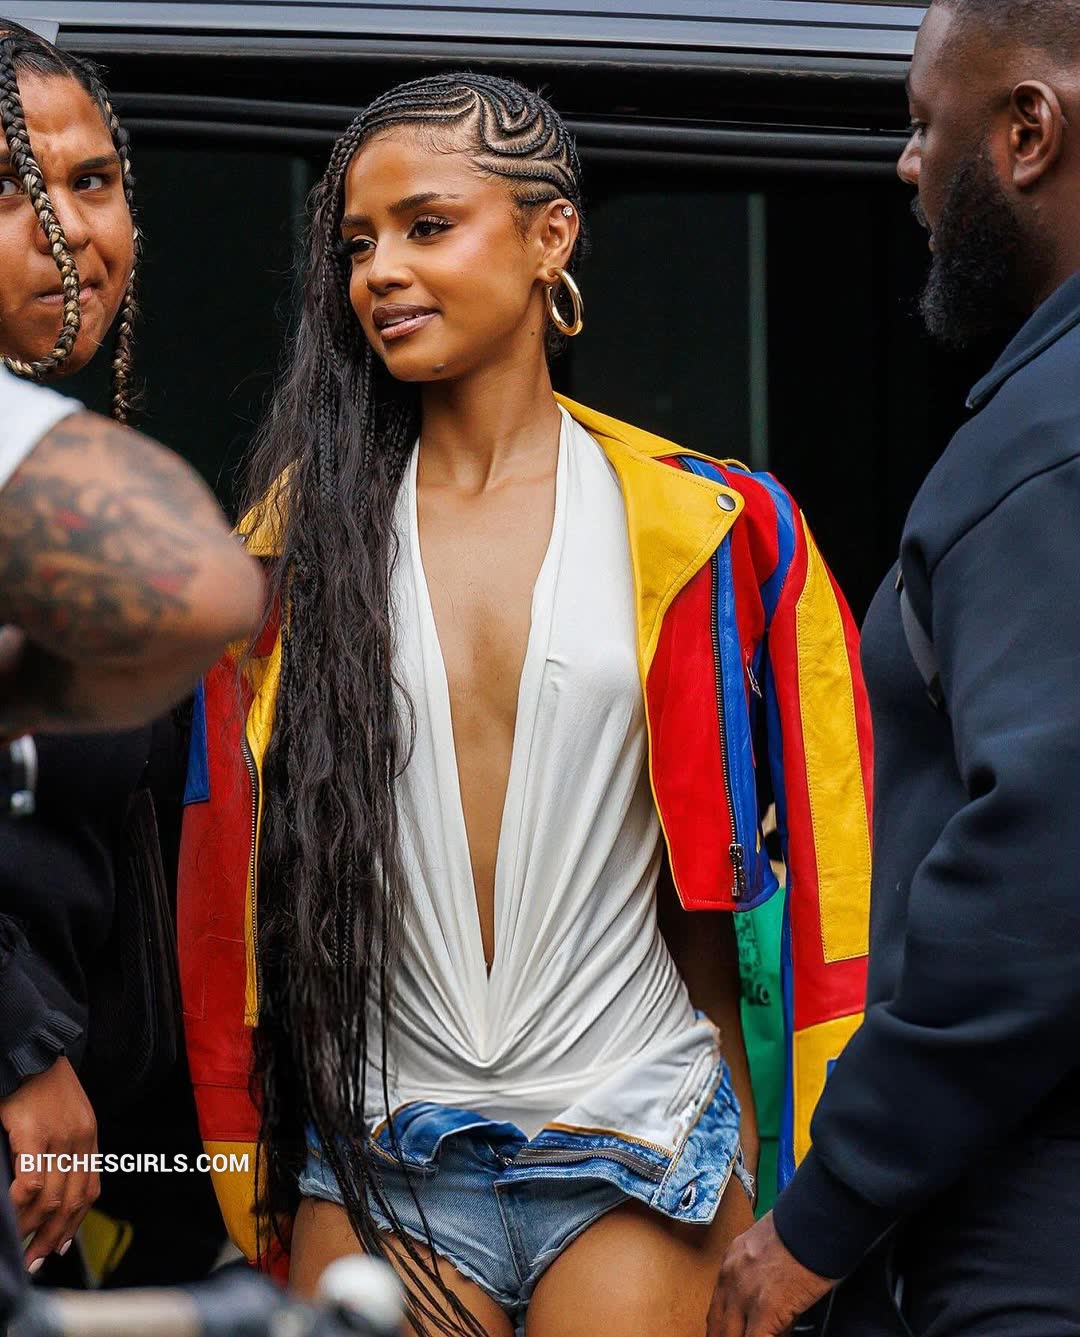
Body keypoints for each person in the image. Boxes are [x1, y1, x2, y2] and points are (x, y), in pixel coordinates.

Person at [178, 74, 872, 1336]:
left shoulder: (716, 528)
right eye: (357, 244)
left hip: (640, 1136)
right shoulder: (285, 554)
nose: (381, 271)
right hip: (380, 1148)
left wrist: (794, 1166)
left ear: (552, 235)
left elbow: (827, 865)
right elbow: (225, 890)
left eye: (427, 225)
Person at [708, 2, 1080, 1334]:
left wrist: (829, 1208)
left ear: (1027, 131)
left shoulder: (1049, 449)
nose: (907, 164)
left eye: (926, 124)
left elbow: (1045, 858)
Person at [0, 20, 241, 1287]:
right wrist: (19, 1051)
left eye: (91, 181)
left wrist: (183, 1186)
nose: (66, 231)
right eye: (9, 189)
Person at [0, 369, 263, 1323]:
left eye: (97, 201)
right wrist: (19, 1046)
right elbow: (209, 592)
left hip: (99, 1150)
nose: (64, 238)